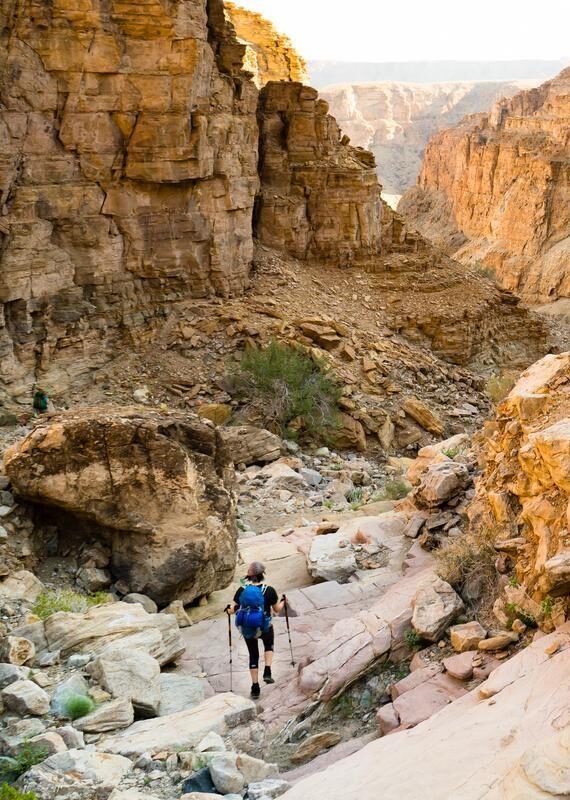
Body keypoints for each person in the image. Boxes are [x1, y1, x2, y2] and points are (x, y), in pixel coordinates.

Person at [226, 561, 285, 699]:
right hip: (264, 626)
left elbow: (232, 610)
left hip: (248, 628)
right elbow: (276, 610)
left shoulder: (242, 591)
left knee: (253, 655)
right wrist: (283, 601)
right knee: (268, 645)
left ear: (249, 575)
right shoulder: (269, 590)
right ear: (262, 574)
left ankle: (255, 687)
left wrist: (228, 609)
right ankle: (268, 670)